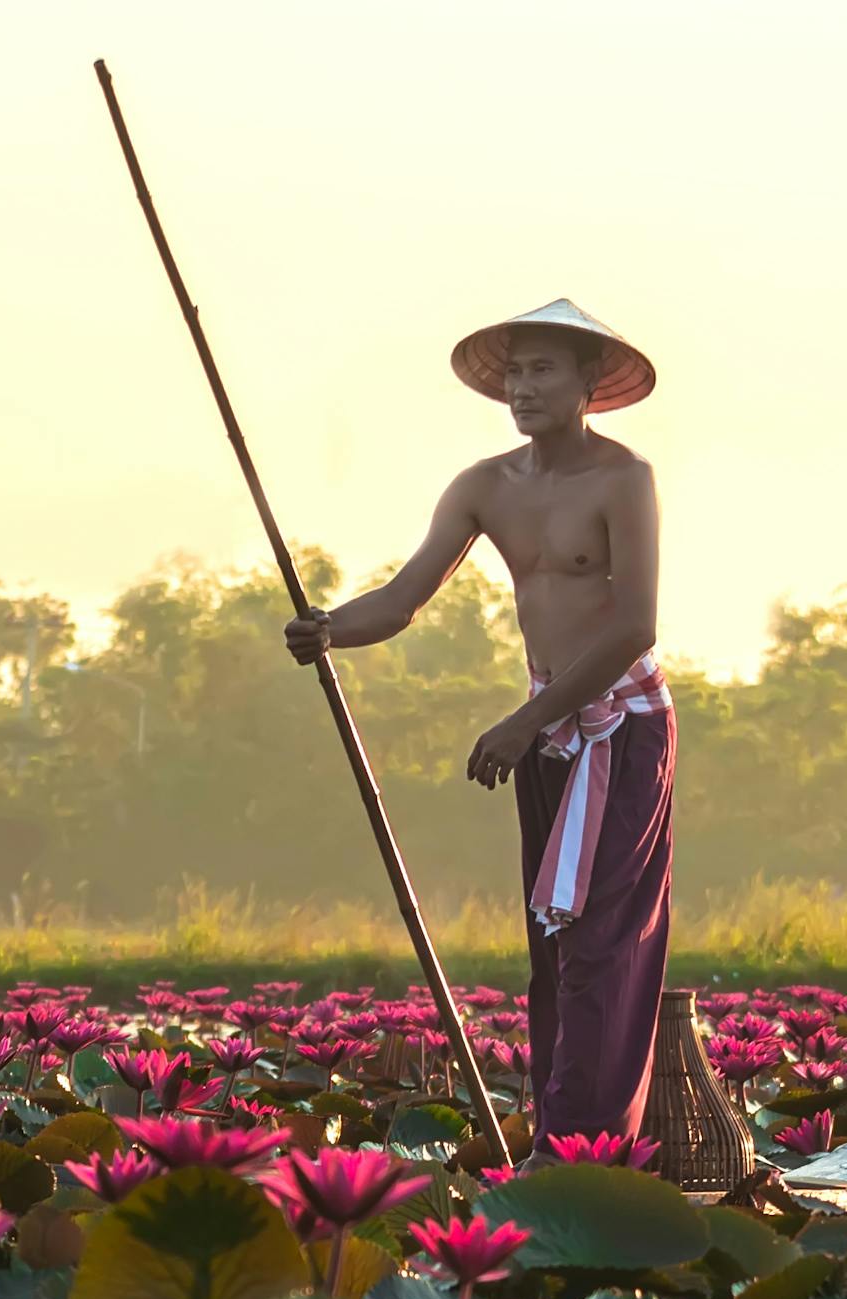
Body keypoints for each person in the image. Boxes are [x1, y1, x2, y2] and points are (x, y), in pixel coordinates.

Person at [283, 299, 672, 1166]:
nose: (523, 388)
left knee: (602, 940)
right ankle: (559, 1137)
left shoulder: (624, 478)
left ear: (588, 385)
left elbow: (634, 627)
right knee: (551, 940)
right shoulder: (484, 485)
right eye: (515, 373)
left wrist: (524, 720)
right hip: (544, 727)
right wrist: (328, 627)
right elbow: (402, 597)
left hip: (621, 727)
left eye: (543, 371)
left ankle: (582, 1149)